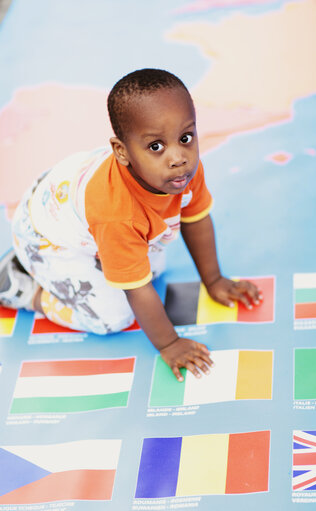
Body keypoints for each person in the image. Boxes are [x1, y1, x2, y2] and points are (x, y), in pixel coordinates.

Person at [0, 69, 262, 381]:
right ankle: (20, 284)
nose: (179, 157)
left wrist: (214, 280)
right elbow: (136, 288)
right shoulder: (117, 213)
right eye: (156, 146)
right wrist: (170, 343)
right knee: (114, 316)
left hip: (67, 205)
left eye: (186, 137)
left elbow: (196, 219)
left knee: (152, 269)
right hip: (46, 238)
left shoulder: (184, 170)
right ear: (121, 152)